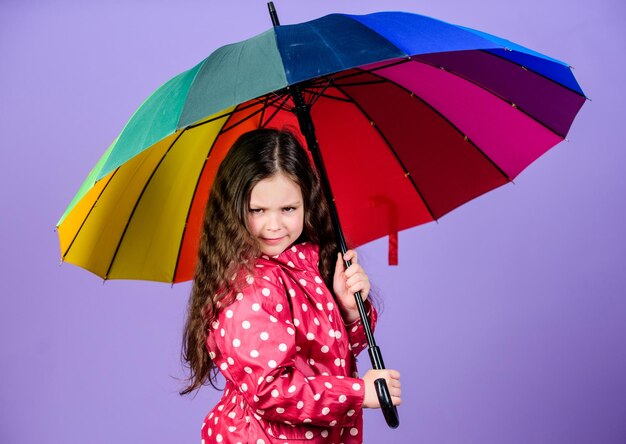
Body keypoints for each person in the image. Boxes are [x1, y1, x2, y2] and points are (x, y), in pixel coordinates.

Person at [181, 128, 401, 443]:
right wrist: (358, 393)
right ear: (234, 208)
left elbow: (326, 358)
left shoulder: (304, 263)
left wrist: (349, 311)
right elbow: (270, 390)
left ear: (307, 202)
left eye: (288, 209)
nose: (274, 225)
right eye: (257, 210)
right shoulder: (248, 286)